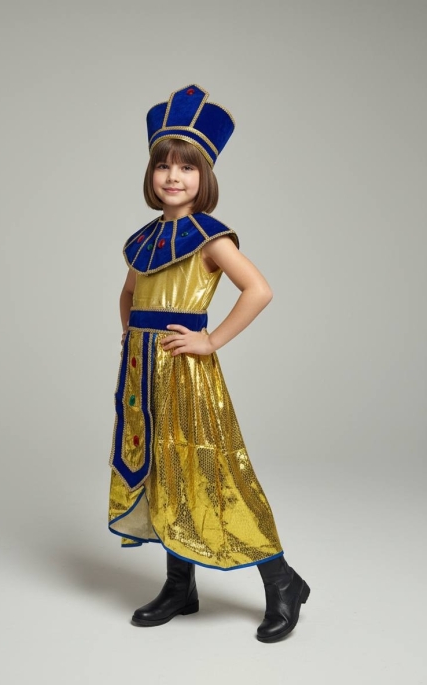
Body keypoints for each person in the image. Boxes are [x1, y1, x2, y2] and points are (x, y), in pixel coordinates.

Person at [108, 84, 310, 643]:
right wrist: (133, 338)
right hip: (142, 376)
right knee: (163, 469)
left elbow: (259, 290)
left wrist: (211, 339)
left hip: (186, 374)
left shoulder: (210, 238)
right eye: (163, 166)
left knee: (213, 471)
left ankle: (283, 582)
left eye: (186, 167)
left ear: (204, 177)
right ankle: (180, 585)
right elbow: (129, 295)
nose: (173, 177)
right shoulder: (145, 239)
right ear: (151, 174)